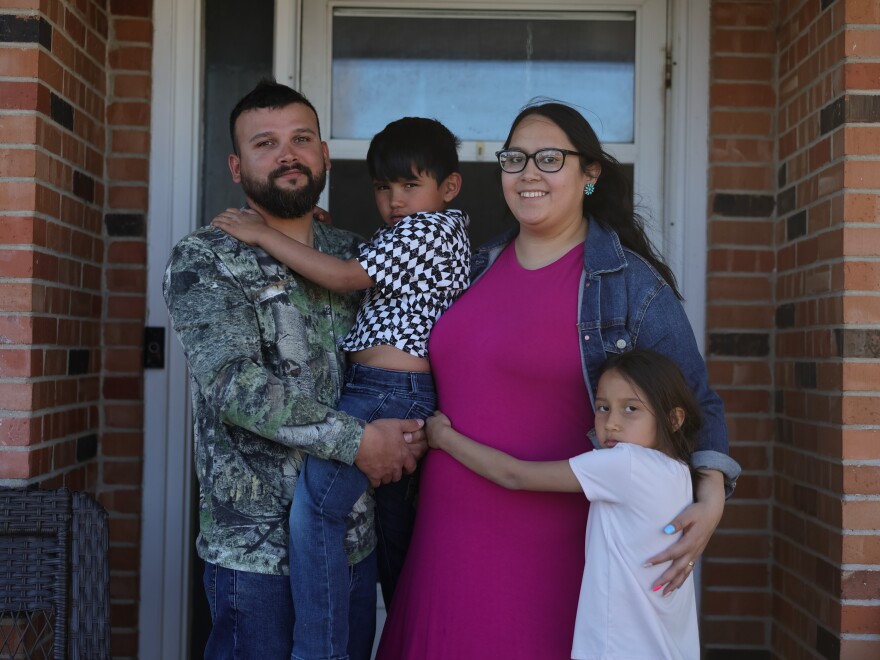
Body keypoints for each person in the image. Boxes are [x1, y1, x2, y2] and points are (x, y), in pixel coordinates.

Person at [376, 101, 741, 659]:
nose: (528, 173)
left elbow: (696, 401)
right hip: (444, 538)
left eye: (549, 158)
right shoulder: (470, 267)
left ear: (588, 175)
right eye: (515, 158)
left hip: (556, 551)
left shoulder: (626, 284)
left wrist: (710, 496)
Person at [163, 80, 426, 660]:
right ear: (237, 166)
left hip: (353, 541)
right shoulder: (205, 259)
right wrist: (359, 441)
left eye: (301, 139)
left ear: (324, 155)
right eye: (266, 143)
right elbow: (235, 386)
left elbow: (419, 337)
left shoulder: (352, 252)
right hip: (257, 554)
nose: (288, 154)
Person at [211, 116, 470, 660]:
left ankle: (319, 651)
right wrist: (315, 232)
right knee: (400, 535)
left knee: (317, 510)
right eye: (383, 187)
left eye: (410, 185)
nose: (395, 199)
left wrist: (264, 233)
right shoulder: (409, 234)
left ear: (448, 188)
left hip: (387, 392)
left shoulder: (430, 230)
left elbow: (345, 277)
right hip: (390, 390)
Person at [426, 350, 702, 659]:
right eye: (603, 407)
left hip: (618, 648)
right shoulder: (680, 471)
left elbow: (514, 474)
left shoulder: (625, 462)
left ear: (673, 419)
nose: (611, 423)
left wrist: (443, 437)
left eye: (630, 409)